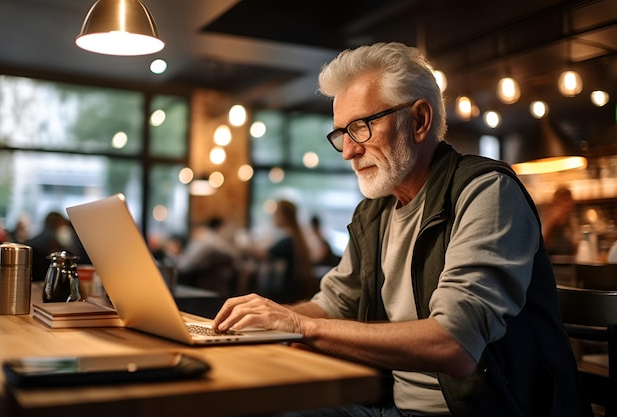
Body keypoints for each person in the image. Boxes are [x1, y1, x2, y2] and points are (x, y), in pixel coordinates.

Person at [212, 42, 590, 417]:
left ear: (420, 121)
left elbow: (455, 344)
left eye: (360, 127)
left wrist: (298, 326)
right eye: (341, 133)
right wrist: (259, 323)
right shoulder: (373, 215)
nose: (347, 151)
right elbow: (333, 305)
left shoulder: (486, 192)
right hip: (390, 406)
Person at [248, 200, 314, 303]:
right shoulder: (296, 237)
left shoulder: (288, 240)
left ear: (284, 216)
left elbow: (264, 254)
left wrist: (245, 246)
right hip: (293, 289)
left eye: (276, 213)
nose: (273, 217)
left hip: (286, 293)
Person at [176, 217, 239, 295]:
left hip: (183, 269)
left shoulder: (203, 235)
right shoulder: (212, 238)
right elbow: (233, 253)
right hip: (187, 275)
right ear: (219, 227)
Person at [542, 186, 578, 256]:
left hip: (568, 261)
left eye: (570, 200)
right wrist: (552, 222)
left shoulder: (571, 220)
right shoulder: (547, 218)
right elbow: (542, 246)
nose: (568, 204)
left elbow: (575, 246)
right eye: (565, 200)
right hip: (552, 262)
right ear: (556, 202)